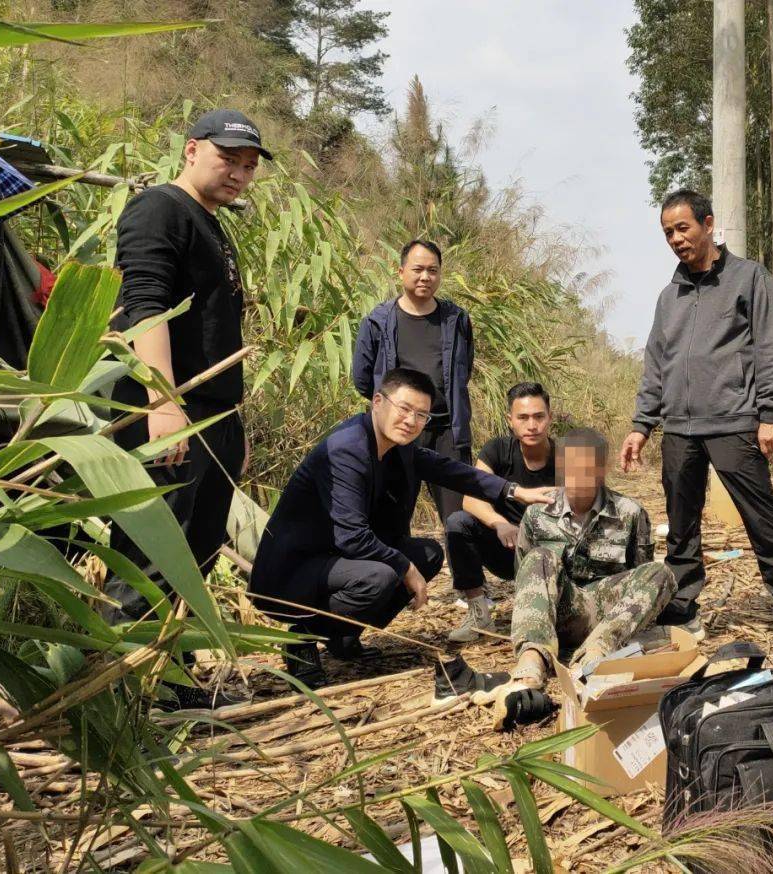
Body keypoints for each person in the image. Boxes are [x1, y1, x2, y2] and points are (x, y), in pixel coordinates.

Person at [103, 109, 271, 706]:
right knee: (151, 551)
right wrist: (163, 401)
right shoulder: (159, 209)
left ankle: (169, 678)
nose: (239, 174)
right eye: (228, 159)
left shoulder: (211, 223)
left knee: (193, 552)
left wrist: (231, 427)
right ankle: (126, 693)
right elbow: (144, 305)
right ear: (192, 150)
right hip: (171, 407)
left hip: (213, 415)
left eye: (248, 166)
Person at [249, 368, 553, 688]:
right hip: (297, 568)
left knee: (428, 554)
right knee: (381, 576)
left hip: (338, 558)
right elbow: (352, 536)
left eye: (421, 415)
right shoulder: (346, 449)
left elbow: (451, 471)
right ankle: (302, 638)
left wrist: (514, 491)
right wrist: (405, 568)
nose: (411, 421)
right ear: (378, 402)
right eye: (404, 409)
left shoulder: (399, 447)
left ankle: (343, 634)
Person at [620, 188, 773, 658]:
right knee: (681, 528)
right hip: (679, 428)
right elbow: (656, 364)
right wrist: (642, 424)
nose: (675, 239)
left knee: (762, 520)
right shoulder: (669, 297)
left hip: (734, 422)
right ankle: (684, 611)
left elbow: (770, 347)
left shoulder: (748, 278)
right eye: (668, 232)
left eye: (682, 228)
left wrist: (770, 414)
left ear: (708, 225)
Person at [510, 429, 675, 688]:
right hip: (558, 612)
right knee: (538, 557)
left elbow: (639, 575)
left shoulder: (630, 513)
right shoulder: (537, 514)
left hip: (610, 616)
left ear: (602, 469)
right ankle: (532, 660)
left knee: (660, 573)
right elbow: (525, 578)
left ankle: (595, 654)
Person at [352, 240, 474, 522]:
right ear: (401, 272)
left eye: (433, 270)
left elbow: (463, 371)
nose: (425, 277)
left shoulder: (456, 320)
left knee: (458, 520)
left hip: (446, 431)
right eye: (418, 269)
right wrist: (396, 409)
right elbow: (362, 378)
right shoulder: (378, 321)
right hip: (398, 430)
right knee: (389, 518)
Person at [445, 382, 556, 643]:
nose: (532, 425)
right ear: (510, 420)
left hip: (552, 552)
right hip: (506, 547)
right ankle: (478, 615)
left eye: (539, 416)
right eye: (523, 417)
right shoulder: (497, 450)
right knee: (458, 523)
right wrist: (499, 523)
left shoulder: (568, 454)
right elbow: (471, 499)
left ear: (550, 417)